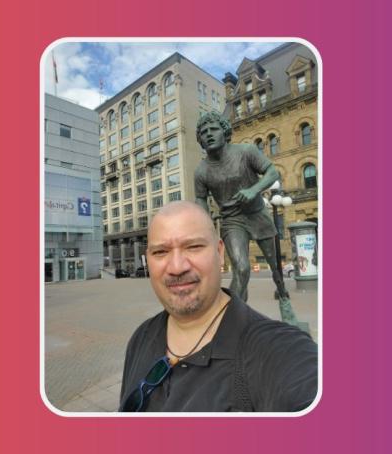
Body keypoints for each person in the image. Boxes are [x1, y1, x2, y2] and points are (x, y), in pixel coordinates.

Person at [119, 201, 317, 412]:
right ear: (148, 259)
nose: (177, 267)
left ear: (220, 252)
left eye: (193, 247)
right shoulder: (140, 338)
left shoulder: (276, 351)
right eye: (160, 252)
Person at [192, 112, 295, 322]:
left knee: (275, 267)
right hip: (232, 220)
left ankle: (283, 296)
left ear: (225, 132)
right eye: (203, 133)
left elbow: (272, 173)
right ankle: (231, 319)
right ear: (200, 140)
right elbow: (201, 199)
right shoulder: (201, 171)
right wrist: (204, 226)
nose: (208, 135)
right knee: (241, 268)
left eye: (214, 130)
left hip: (257, 214)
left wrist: (253, 190)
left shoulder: (246, 151)